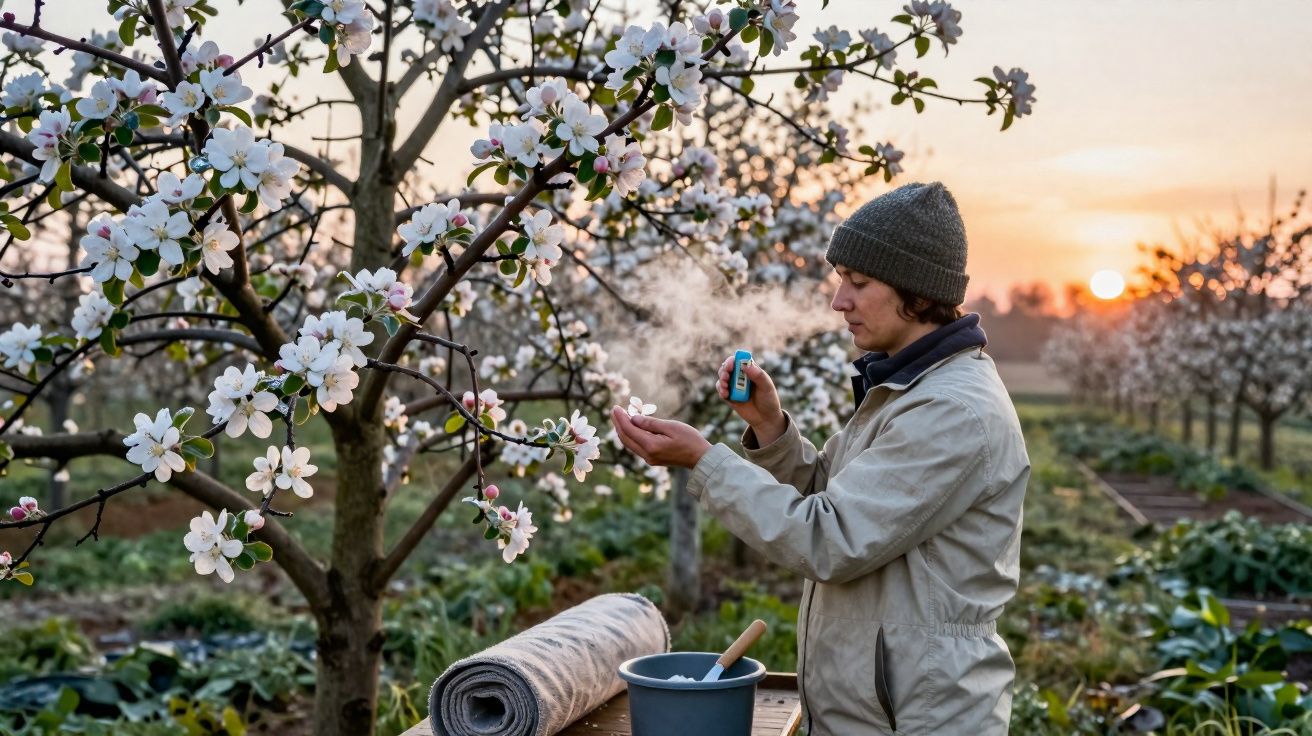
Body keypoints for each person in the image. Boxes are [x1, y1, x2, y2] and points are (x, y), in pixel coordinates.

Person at [609, 181, 1030, 735]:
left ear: (920, 294)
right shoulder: (908, 386)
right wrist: (770, 426)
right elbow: (836, 496)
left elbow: (830, 538)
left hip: (921, 717)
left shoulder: (950, 411)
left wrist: (703, 461)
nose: (839, 301)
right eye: (839, 281)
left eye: (859, 283)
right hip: (882, 707)